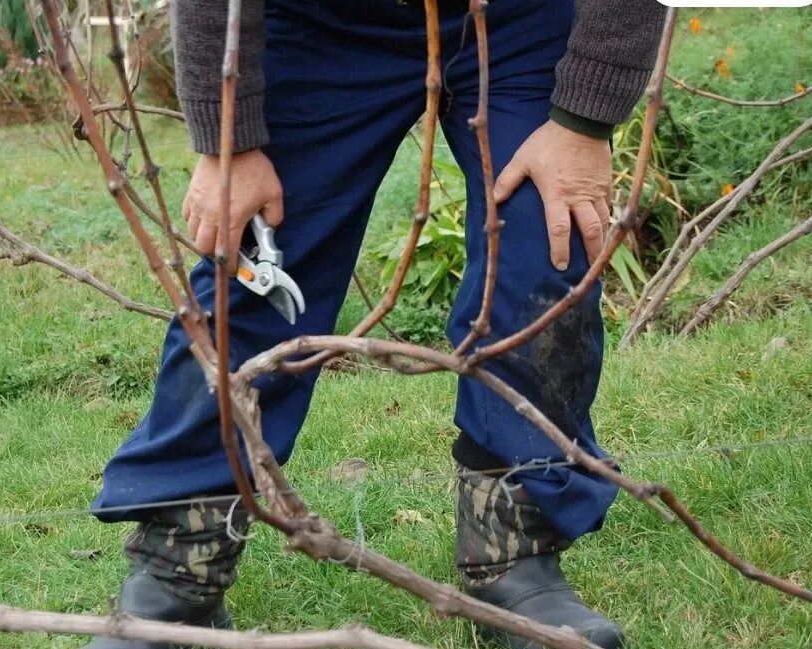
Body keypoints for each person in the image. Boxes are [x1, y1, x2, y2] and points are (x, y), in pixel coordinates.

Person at [86, 1, 665, 647]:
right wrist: (229, 139)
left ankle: (515, 563)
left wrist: (582, 121)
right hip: (320, 24)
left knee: (543, 246)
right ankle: (179, 573)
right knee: (251, 269)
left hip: (518, 19)